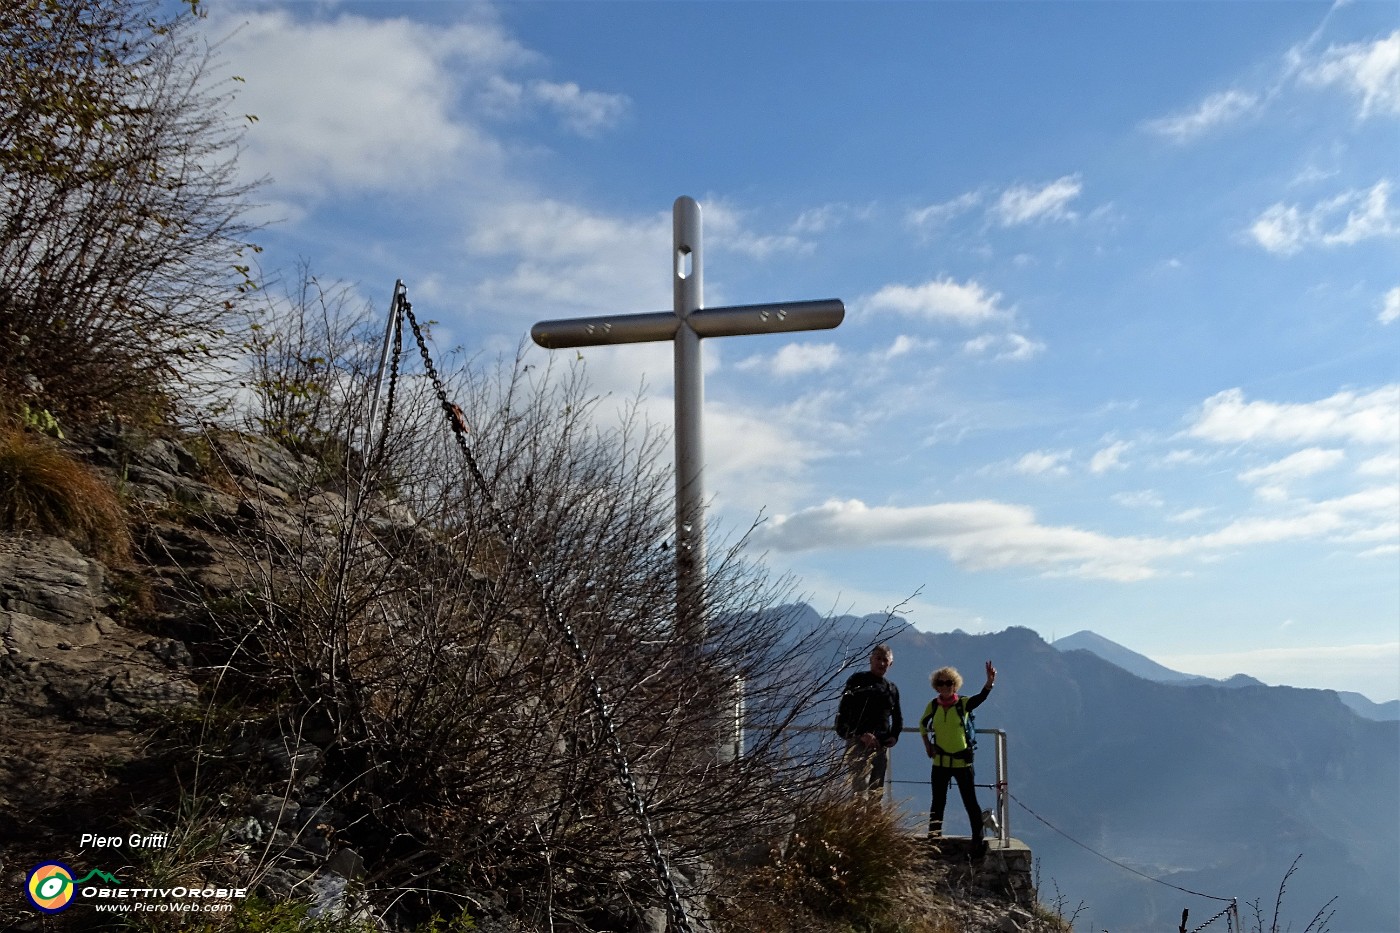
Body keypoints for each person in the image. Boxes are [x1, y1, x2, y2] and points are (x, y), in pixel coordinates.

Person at [919, 660, 997, 855]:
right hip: (940, 762)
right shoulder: (933, 706)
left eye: (949, 683)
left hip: (962, 761)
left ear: (955, 685)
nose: (945, 687)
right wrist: (927, 744)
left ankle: (977, 841)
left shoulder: (963, 704)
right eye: (941, 683)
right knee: (938, 802)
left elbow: (980, 698)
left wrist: (989, 683)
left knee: (970, 801)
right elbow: (922, 724)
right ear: (936, 685)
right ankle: (933, 841)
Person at [834, 644, 903, 799]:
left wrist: (894, 735)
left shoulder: (891, 689)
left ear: (890, 664)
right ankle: (857, 820)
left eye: (885, 660)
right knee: (858, 788)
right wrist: (858, 735)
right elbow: (843, 711)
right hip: (858, 743)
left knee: (876, 790)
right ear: (870, 660)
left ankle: (873, 820)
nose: (882, 663)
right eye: (878, 658)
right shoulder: (857, 680)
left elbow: (897, 717)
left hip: (881, 745)